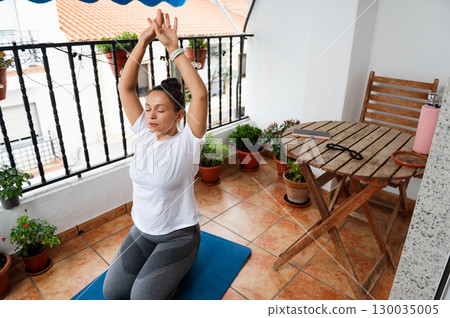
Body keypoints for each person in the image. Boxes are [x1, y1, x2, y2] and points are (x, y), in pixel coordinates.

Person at [103, 9, 208, 300]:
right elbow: (125, 87)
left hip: (179, 235)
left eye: (160, 110)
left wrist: (173, 48)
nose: (150, 115)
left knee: (141, 299)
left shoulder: (188, 142)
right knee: (112, 292)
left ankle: (177, 273)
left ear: (178, 116)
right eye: (148, 108)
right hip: (142, 229)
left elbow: (199, 95)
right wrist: (144, 40)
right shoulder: (145, 133)